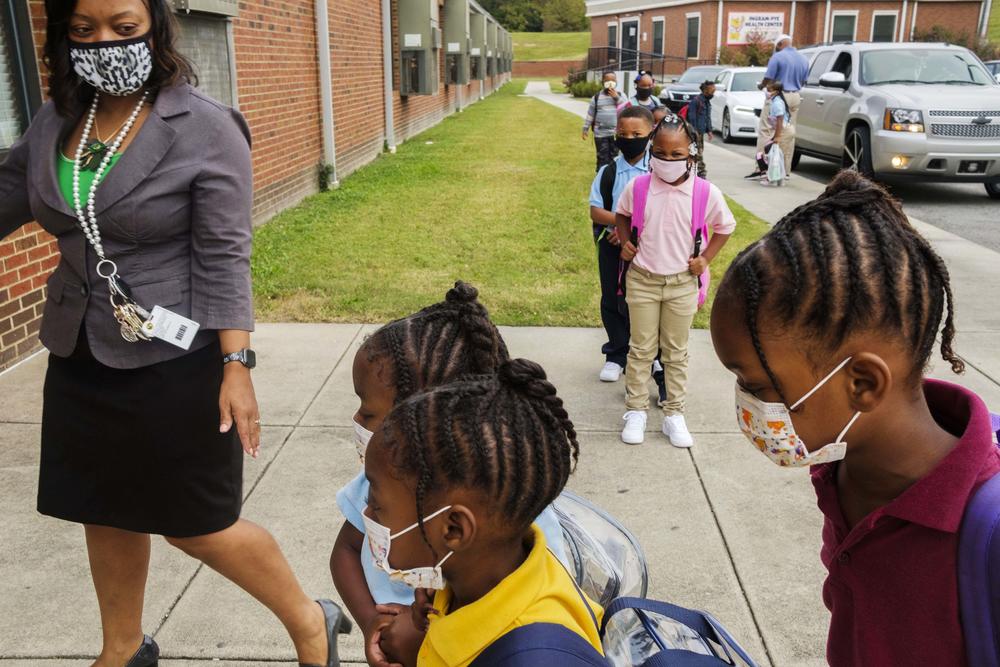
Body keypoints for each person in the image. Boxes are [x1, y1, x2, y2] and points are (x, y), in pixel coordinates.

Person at [0, 2, 348, 666]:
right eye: (83, 31)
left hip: (175, 360)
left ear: (156, 28)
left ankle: (309, 621)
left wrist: (236, 364)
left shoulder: (205, 128)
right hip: (79, 349)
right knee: (101, 506)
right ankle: (123, 647)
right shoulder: (54, 122)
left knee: (197, 525)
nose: (103, 43)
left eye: (123, 28)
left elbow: (223, 254)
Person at [710, 171, 997, 666]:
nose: (745, 405)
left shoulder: (988, 531)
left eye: (757, 385)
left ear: (862, 384)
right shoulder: (841, 470)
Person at [329, 283, 569, 667]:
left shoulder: (533, 634)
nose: (368, 513)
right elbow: (345, 549)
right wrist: (375, 621)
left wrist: (423, 647)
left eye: (370, 412)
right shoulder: (391, 483)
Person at [363, 360, 605, 666]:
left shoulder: (533, 657)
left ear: (454, 530)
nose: (367, 512)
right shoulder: (477, 577)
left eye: (377, 504)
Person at [615, 114, 736, 447]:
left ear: (691, 155)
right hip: (642, 279)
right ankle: (636, 410)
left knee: (676, 352)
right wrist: (625, 242)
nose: (667, 160)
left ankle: (674, 414)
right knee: (640, 349)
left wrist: (705, 258)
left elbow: (726, 227)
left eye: (676, 154)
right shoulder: (638, 187)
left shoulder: (704, 193)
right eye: (660, 153)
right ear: (652, 151)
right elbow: (621, 215)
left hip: (682, 283)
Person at [589, 105, 652, 383]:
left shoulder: (656, 170)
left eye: (636, 133)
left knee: (646, 302)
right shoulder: (609, 171)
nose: (629, 138)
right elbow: (596, 210)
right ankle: (616, 354)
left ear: (651, 134)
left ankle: (651, 357)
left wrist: (628, 228)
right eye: (622, 133)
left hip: (649, 248)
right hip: (613, 246)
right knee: (612, 299)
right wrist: (619, 225)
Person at [755, 34, 809, 177]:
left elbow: (769, 77)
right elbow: (804, 81)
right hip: (795, 96)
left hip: (778, 96)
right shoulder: (803, 58)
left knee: (766, 130)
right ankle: (785, 170)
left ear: (779, 45)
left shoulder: (777, 57)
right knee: (789, 133)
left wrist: (761, 86)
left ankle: (762, 168)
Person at [582, 71, 629, 172]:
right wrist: (585, 128)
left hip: (616, 133)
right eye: (607, 81)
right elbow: (590, 114)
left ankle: (612, 178)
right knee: (602, 157)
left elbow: (627, 109)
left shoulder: (621, 95)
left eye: (613, 80)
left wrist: (616, 97)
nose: (610, 83)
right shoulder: (597, 97)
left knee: (614, 157)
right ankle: (600, 178)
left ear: (616, 81)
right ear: (603, 82)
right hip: (600, 134)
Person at [759, 80, 793, 185]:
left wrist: (777, 137)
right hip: (783, 130)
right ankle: (777, 179)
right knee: (775, 154)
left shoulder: (777, 102)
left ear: (776, 91)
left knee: (775, 156)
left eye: (770, 90)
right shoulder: (776, 100)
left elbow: (780, 119)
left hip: (784, 130)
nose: (768, 92)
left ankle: (772, 179)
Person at [684, 81, 715, 179]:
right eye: (711, 91)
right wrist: (694, 131)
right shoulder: (696, 101)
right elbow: (692, 117)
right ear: (705, 90)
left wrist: (709, 131)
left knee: (698, 151)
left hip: (701, 132)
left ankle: (696, 169)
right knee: (698, 152)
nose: (713, 93)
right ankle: (701, 172)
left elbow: (707, 117)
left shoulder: (707, 102)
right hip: (695, 133)